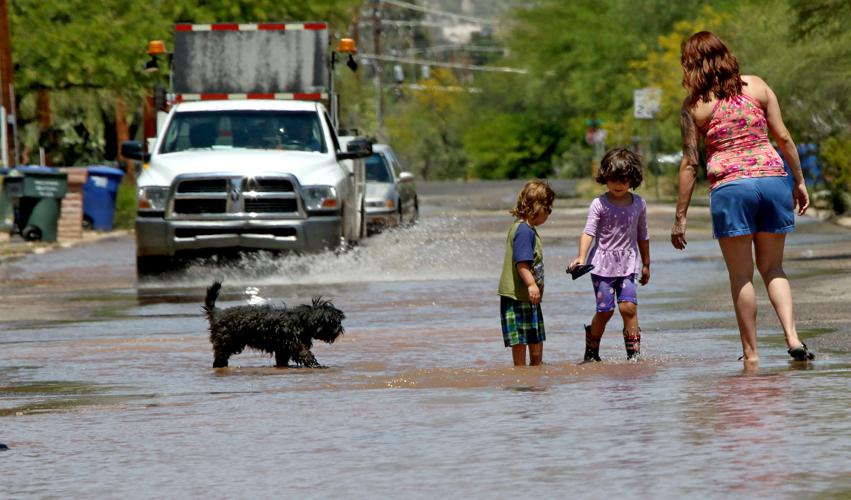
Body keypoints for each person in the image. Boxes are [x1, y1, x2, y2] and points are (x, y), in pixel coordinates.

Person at [672, 31, 814, 364]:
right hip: (773, 181)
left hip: (732, 188)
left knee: (741, 276)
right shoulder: (758, 86)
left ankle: (751, 354)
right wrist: (799, 181)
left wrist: (680, 217)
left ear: (692, 64)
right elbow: (784, 137)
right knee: (774, 267)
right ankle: (792, 337)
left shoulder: (694, 106)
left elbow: (691, 164)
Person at [569, 148, 650, 362]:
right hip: (602, 265)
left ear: (632, 179)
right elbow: (588, 232)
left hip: (628, 263)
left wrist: (646, 264)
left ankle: (634, 357)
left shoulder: (639, 204)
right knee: (605, 311)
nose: (618, 184)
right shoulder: (599, 204)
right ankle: (591, 350)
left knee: (628, 307)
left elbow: (643, 235)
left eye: (623, 179)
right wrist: (581, 257)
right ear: (605, 177)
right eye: (614, 179)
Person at [498, 179, 556, 366]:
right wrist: (532, 285)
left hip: (528, 297)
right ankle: (522, 372)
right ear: (537, 208)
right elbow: (521, 263)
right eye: (548, 209)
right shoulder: (524, 231)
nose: (549, 214)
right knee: (521, 339)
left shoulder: (525, 228)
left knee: (535, 337)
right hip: (519, 297)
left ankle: (535, 371)